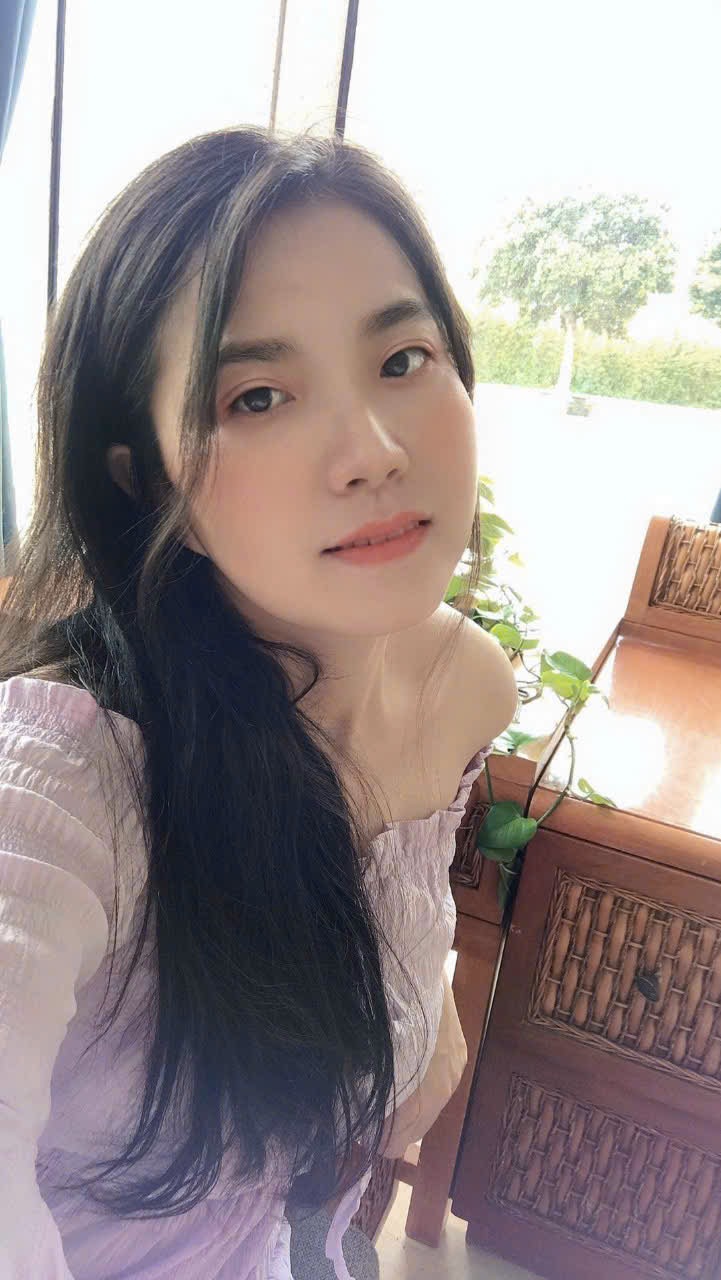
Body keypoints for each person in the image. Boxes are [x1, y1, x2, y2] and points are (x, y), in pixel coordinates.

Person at [0, 125, 518, 1278]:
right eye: (259, 395)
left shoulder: (461, 686)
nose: (372, 450)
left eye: (403, 358)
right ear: (147, 479)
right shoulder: (66, 777)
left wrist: (423, 1020)